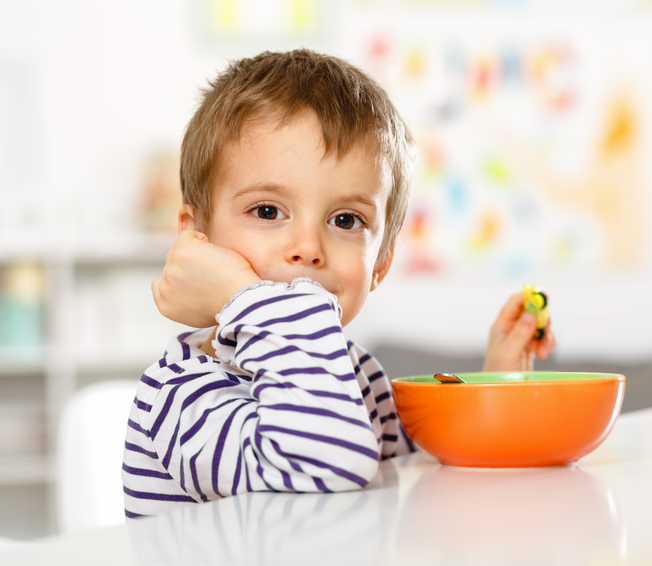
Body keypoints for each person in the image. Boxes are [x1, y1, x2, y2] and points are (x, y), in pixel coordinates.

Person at [122, 49, 556, 518]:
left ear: (381, 263)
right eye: (267, 211)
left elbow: (427, 467)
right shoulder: (182, 392)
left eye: (346, 219)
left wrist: (495, 381)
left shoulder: (353, 370)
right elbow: (324, 463)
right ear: (196, 237)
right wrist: (246, 298)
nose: (308, 246)